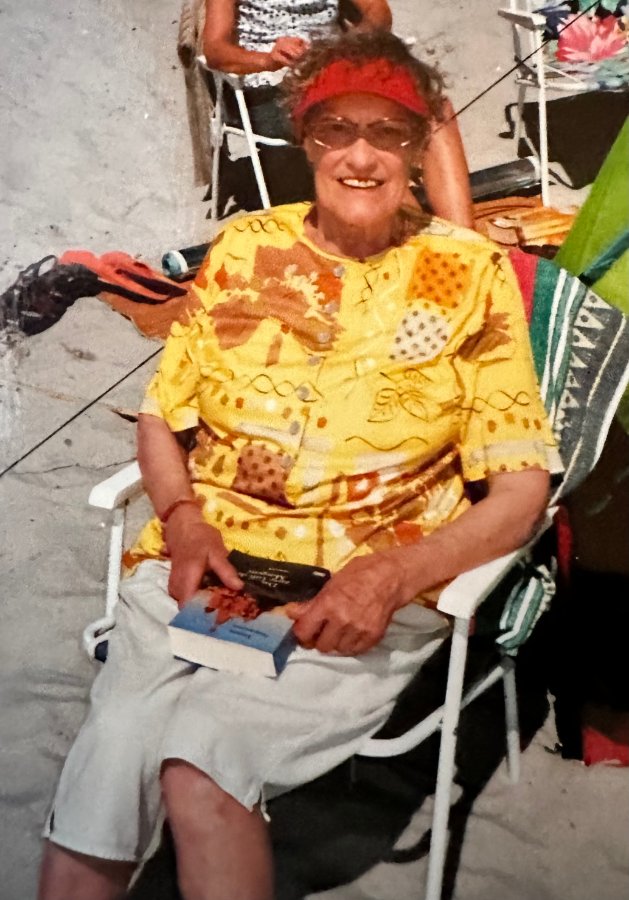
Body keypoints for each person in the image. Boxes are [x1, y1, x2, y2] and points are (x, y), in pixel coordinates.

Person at [38, 30, 559, 900]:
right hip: (205, 569)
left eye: (386, 132)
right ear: (305, 140)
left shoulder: (466, 273)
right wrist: (184, 520)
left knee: (203, 761)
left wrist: (391, 576)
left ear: (418, 145)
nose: (360, 155)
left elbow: (519, 489)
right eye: (335, 129)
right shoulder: (246, 249)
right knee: (112, 751)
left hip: (356, 594)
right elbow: (163, 418)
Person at [202, 0, 474, 227]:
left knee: (434, 109)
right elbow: (215, 49)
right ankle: (416, 238)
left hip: (337, 74)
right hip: (269, 86)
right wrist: (267, 59)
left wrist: (347, 48)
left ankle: (467, 242)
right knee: (364, 127)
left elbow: (378, 12)